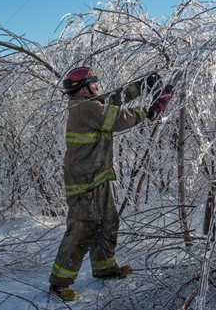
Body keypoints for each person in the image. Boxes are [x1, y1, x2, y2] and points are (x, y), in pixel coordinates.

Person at [49, 66, 170, 301]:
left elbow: (115, 100)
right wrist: (150, 112)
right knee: (82, 228)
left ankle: (105, 268)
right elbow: (116, 117)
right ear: (83, 87)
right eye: (93, 84)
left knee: (107, 220)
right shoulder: (85, 108)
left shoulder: (88, 104)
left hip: (97, 177)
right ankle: (59, 282)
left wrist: (143, 84)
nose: (97, 87)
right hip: (84, 182)